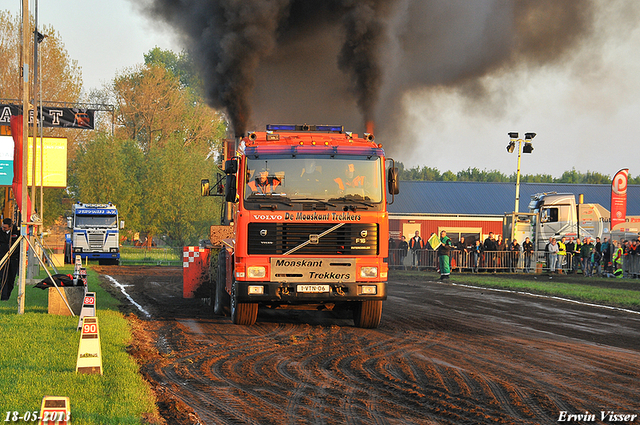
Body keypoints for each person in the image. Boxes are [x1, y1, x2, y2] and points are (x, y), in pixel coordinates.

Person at [0, 218, 19, 301]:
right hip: (3, 258)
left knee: (11, 279)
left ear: (10, 227)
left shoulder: (16, 232)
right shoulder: (0, 232)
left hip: (13, 259)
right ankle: (3, 297)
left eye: (5, 228)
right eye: (3, 227)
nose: (3, 229)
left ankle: (7, 296)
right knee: (3, 278)